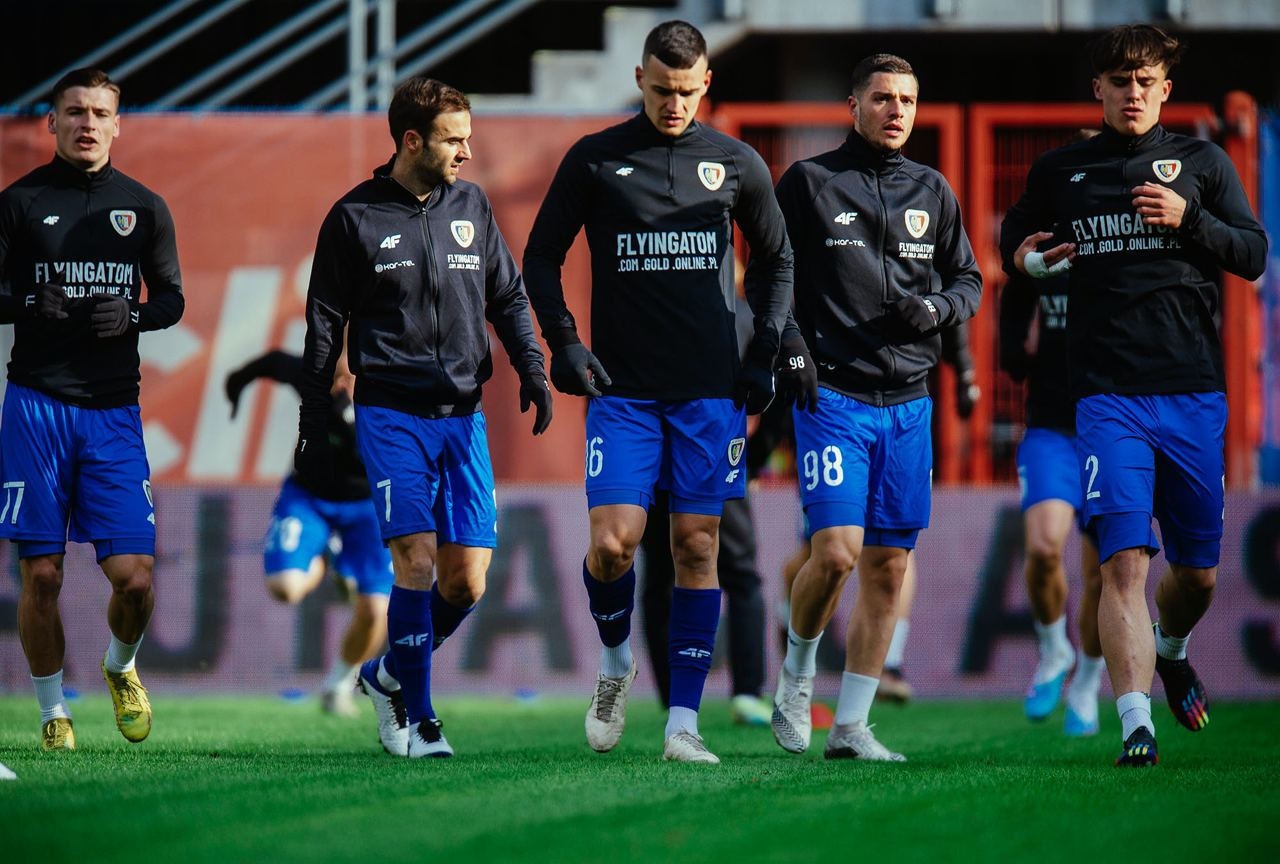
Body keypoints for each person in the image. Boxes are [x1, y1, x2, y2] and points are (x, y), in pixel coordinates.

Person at [523, 20, 809, 764]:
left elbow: (778, 259)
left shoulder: (736, 163)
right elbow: (541, 257)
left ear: (706, 83)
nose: (674, 104)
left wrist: (766, 349)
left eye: (686, 91)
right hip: (622, 392)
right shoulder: (595, 158)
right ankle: (616, 662)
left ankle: (683, 724)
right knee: (612, 544)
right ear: (639, 81)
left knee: (697, 545)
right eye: (660, 90)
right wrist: (565, 344)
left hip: (709, 394)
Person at [1000, 25, 1266, 766]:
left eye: (1146, 81)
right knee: (1122, 564)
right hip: (1106, 397)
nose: (1133, 92)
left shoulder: (1203, 163)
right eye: (1119, 81)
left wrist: (1192, 219)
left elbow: (1253, 253)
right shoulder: (1062, 170)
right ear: (1099, 89)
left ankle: (1170, 648)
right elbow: (1013, 240)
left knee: (1198, 576)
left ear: (1165, 89)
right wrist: (1029, 261)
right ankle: (1135, 726)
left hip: (1191, 391)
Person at [297, 76, 552, 758]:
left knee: (465, 582)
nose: (467, 152)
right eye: (453, 140)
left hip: (463, 417)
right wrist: (312, 418)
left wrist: (532, 367)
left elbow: (508, 297)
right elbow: (323, 326)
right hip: (391, 416)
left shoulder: (472, 204)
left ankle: (385, 676)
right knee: (413, 560)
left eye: (468, 138)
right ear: (412, 141)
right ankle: (422, 720)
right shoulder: (353, 217)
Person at [764, 53, 982, 762]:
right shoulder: (809, 181)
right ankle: (796, 679)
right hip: (833, 396)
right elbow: (770, 273)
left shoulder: (934, 189)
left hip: (910, 403)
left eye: (907, 101)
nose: (896, 111)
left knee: (888, 566)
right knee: (835, 552)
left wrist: (940, 308)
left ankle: (852, 726)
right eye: (883, 98)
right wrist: (788, 342)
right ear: (853, 105)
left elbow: (969, 279)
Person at [0, 68, 184, 752]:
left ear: (117, 125)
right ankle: (54, 712)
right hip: (36, 408)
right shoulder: (19, 203)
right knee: (42, 574)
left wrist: (134, 315)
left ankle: (120, 666)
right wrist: (26, 303)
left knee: (135, 581)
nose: (87, 123)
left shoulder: (145, 206)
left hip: (112, 413)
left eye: (100, 113)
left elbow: (172, 299)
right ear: (52, 122)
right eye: (75, 111)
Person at [225, 348, 394, 717]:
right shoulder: (313, 378)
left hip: (368, 504)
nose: (339, 385)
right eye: (334, 377)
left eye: (346, 378)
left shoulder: (389, 387)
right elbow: (271, 361)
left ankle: (339, 685)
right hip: (309, 496)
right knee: (285, 587)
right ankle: (328, 554)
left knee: (375, 609)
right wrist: (236, 384)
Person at [1001, 262, 1106, 736]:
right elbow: (1015, 288)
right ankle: (1054, 649)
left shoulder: (1122, 248)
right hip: (1049, 426)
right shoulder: (1045, 250)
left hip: (1111, 426)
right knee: (1044, 549)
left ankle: (1086, 683)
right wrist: (1011, 347)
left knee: (1105, 573)